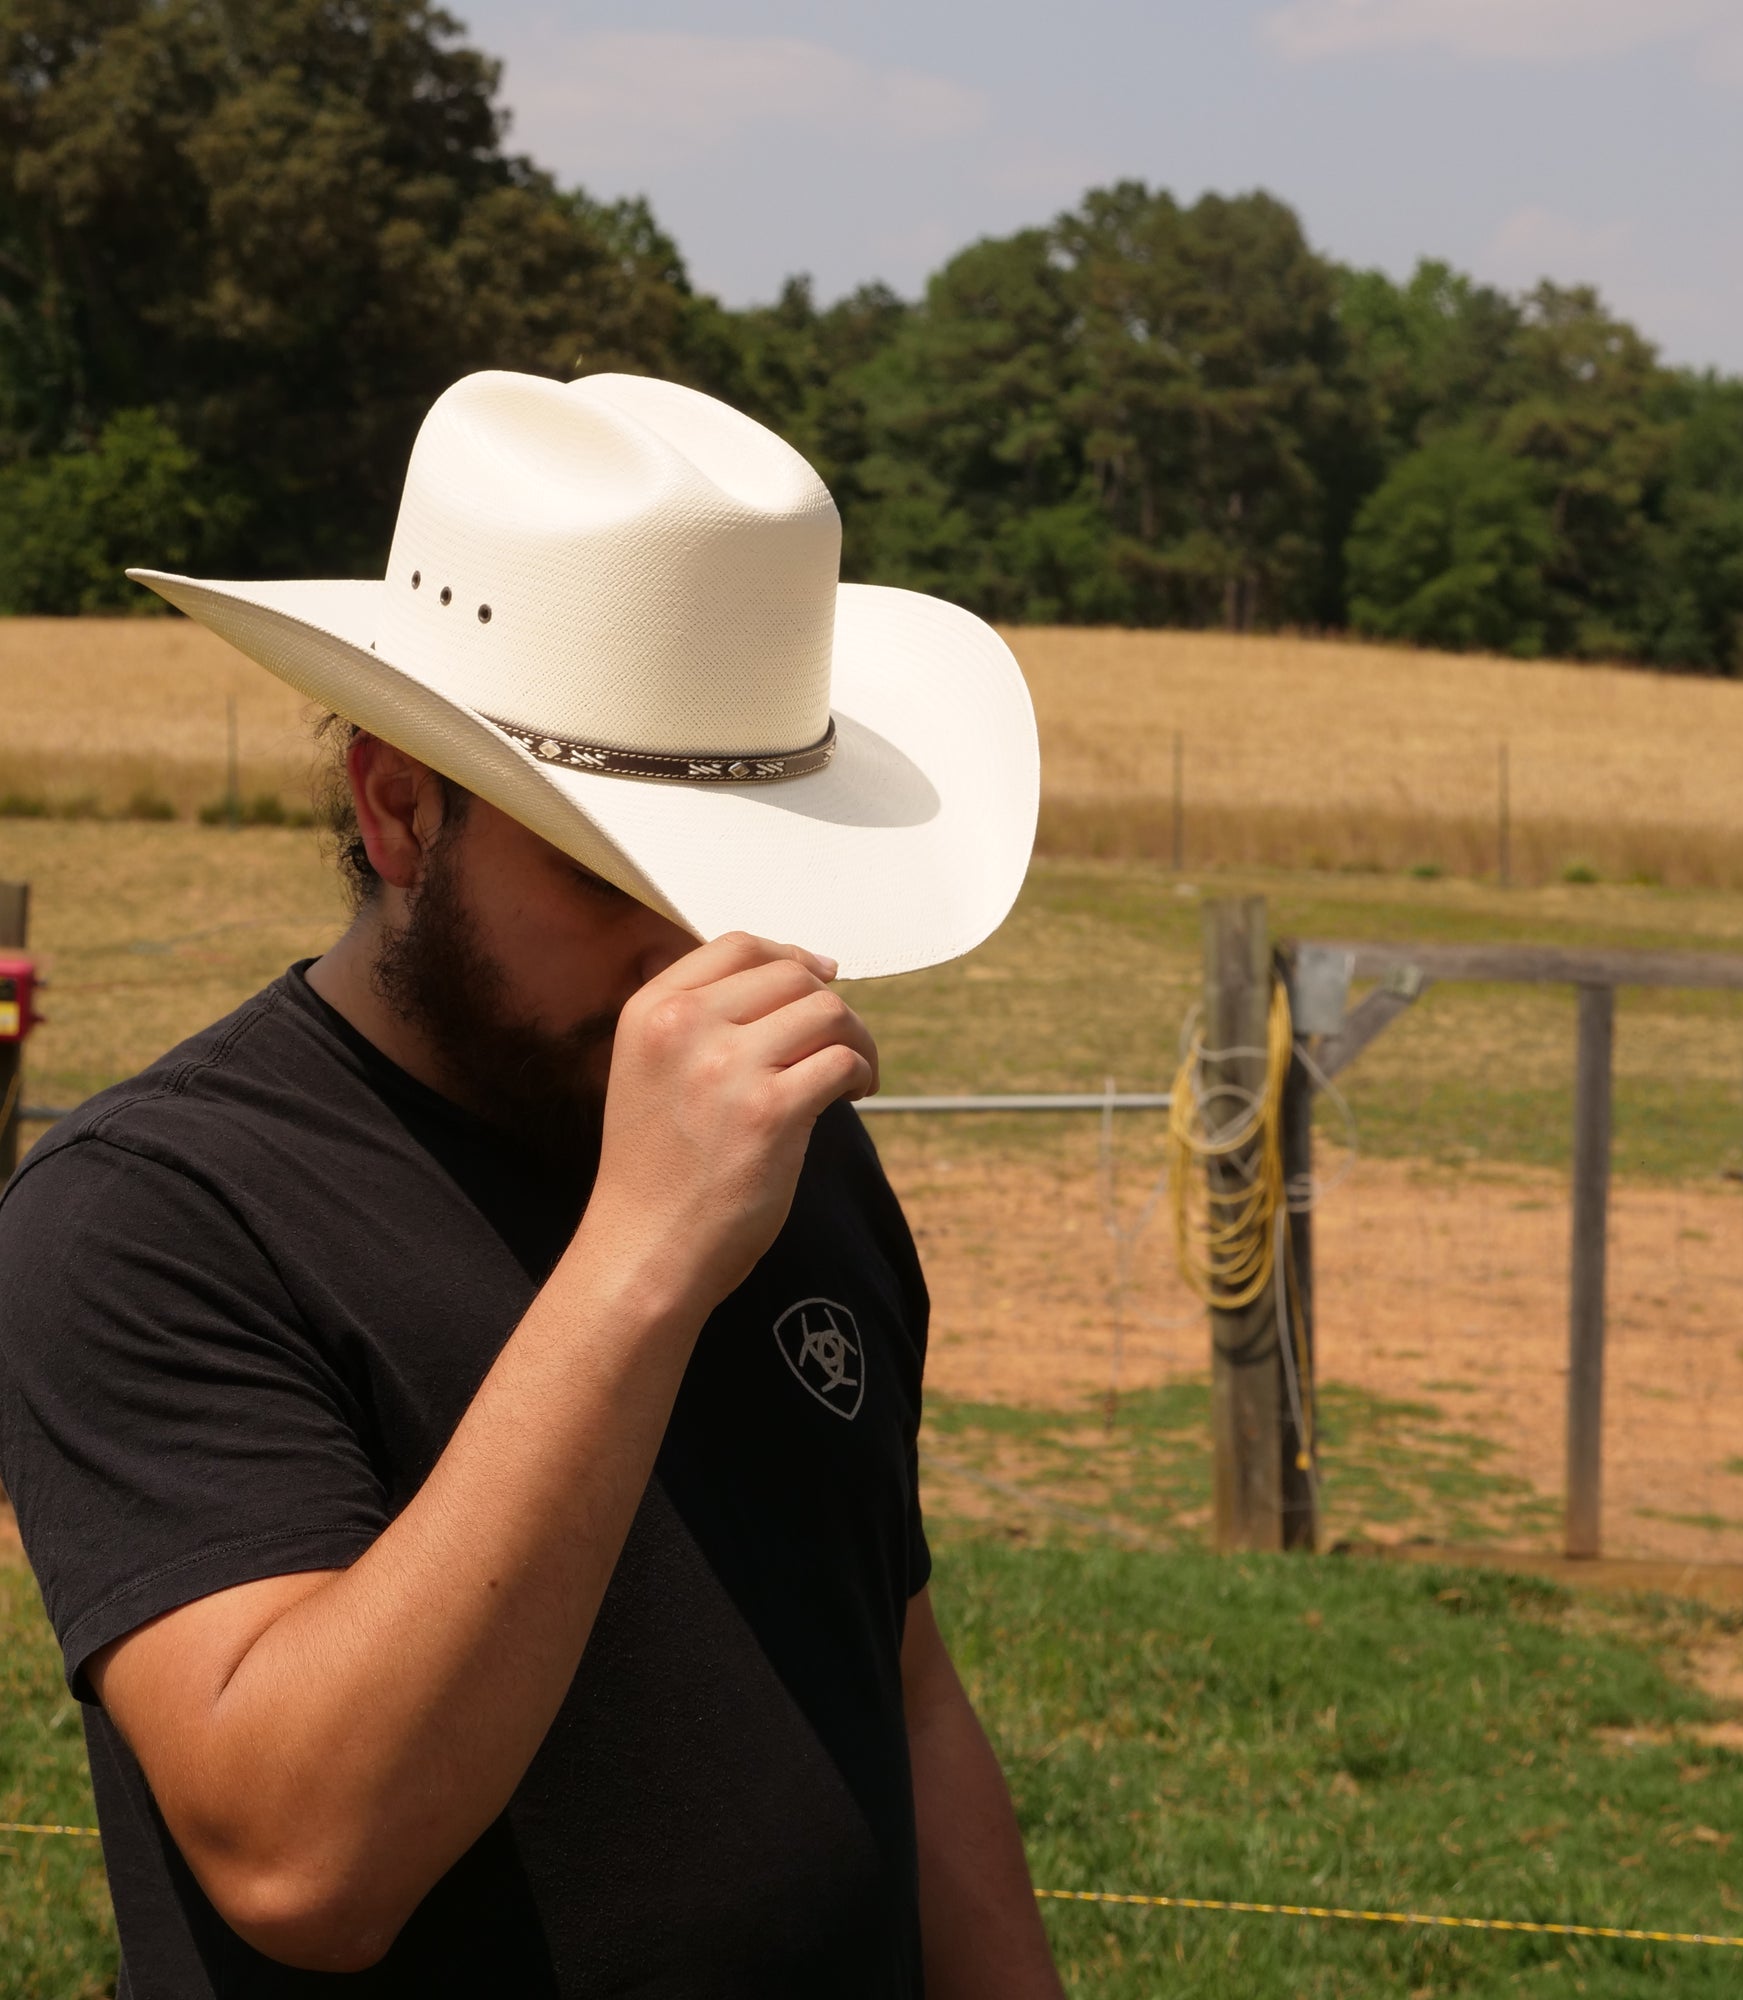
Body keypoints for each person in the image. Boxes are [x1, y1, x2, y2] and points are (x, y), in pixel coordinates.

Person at [0, 371, 1060, 1996]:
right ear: (399, 806)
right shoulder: (155, 1215)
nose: (701, 955)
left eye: (752, 864)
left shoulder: (791, 1144)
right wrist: (644, 1255)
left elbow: (898, 1674)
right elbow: (300, 1859)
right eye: (614, 871)